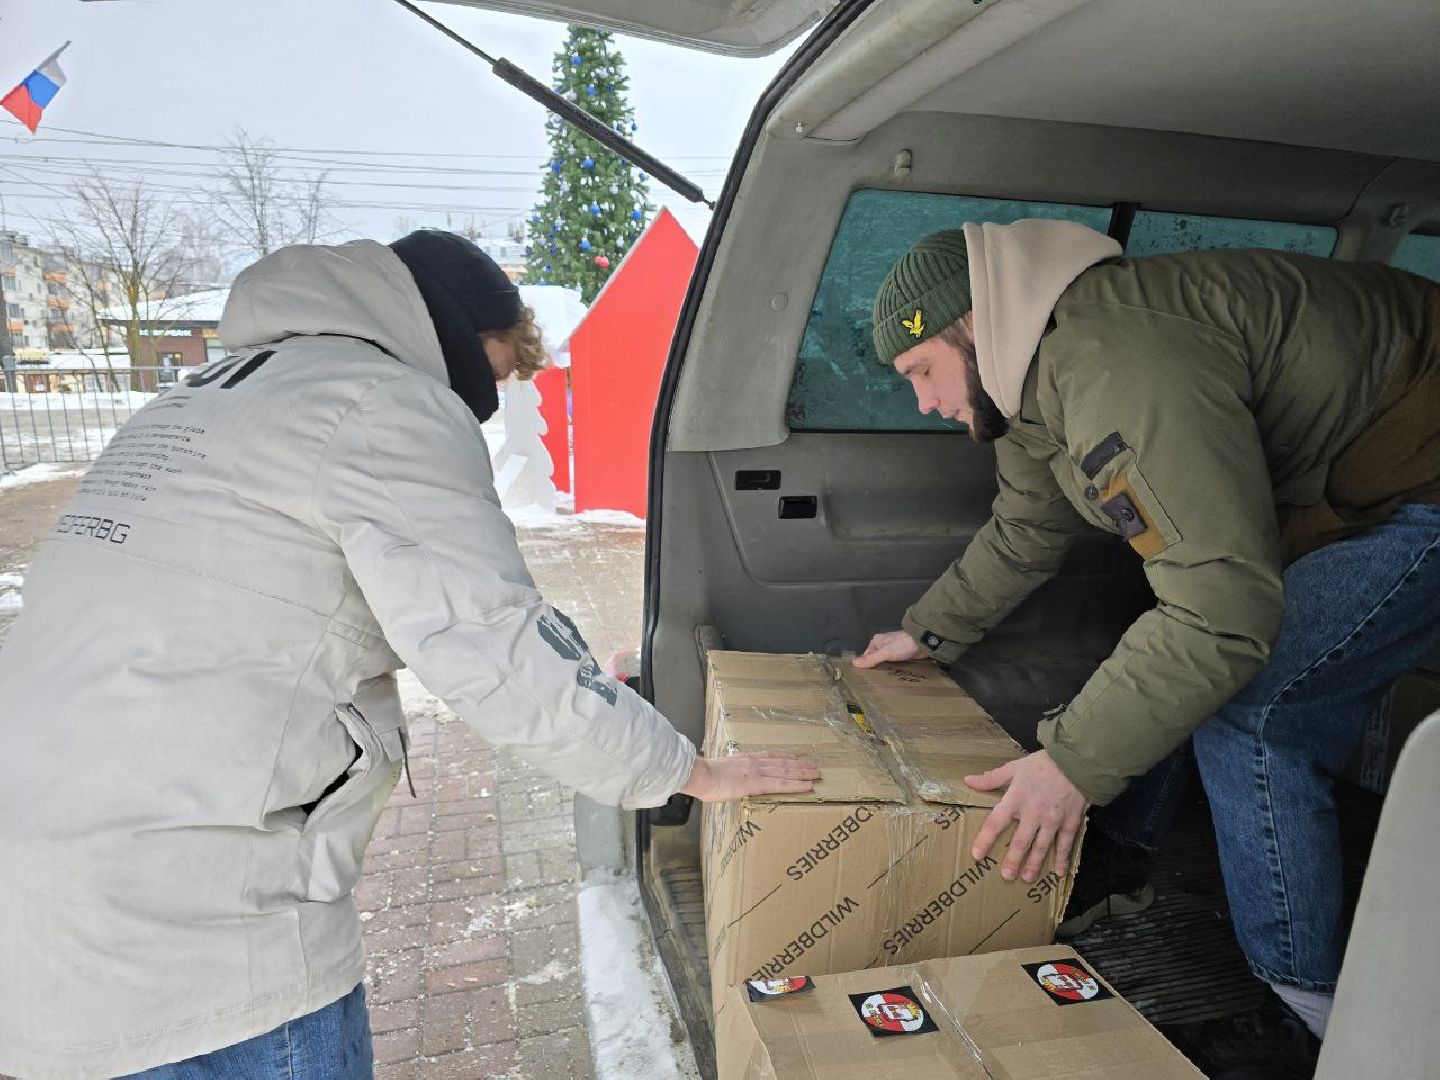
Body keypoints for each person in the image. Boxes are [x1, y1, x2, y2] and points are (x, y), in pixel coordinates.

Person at [0, 231, 819, 1078]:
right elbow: (496, 650)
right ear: (459, 334)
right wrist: (692, 772)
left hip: (38, 904)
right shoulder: (383, 404)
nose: (490, 404)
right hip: (197, 936)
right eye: (497, 373)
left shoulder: (205, 397)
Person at [855, 222, 1440, 1060]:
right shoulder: (1024, 391)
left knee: (1254, 707)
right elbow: (1026, 528)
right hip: (1345, 485)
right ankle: (1117, 855)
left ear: (972, 329)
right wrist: (928, 632)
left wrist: (1070, 767)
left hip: (1422, 467)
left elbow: (1222, 616)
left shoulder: (1116, 363)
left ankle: (1308, 1014)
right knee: (1164, 654)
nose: (923, 402)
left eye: (921, 372)